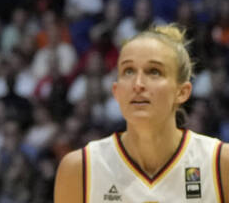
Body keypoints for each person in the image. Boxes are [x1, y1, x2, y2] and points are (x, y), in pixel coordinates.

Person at [54, 24, 228, 202]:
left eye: (154, 71)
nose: (138, 84)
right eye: (128, 71)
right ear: (117, 91)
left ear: (181, 92)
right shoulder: (80, 168)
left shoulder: (220, 163)